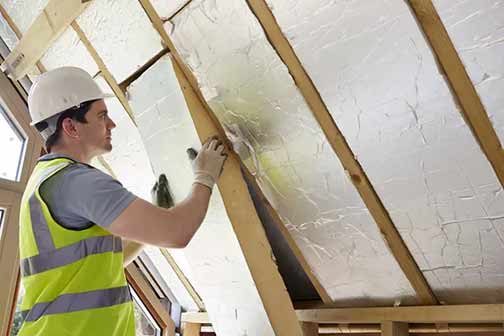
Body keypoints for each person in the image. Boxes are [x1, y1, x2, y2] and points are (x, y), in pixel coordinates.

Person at [17, 67, 227, 335]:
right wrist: (205, 176)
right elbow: (177, 232)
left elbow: (101, 267)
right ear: (70, 126)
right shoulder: (79, 183)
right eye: (101, 115)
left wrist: (145, 230)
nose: (112, 124)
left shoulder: (45, 180)